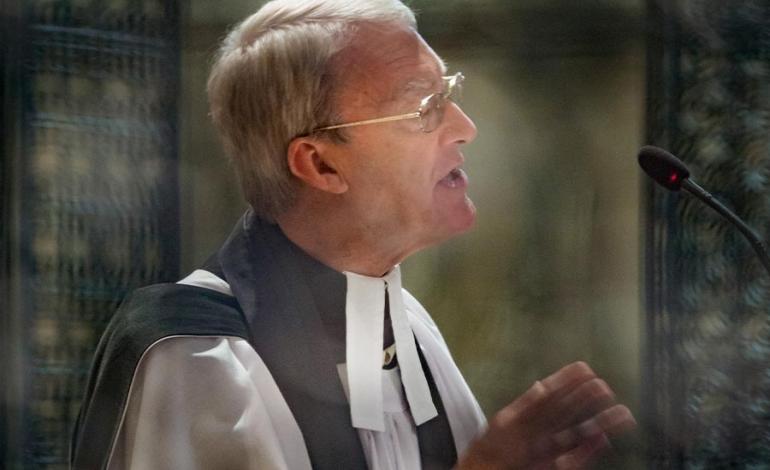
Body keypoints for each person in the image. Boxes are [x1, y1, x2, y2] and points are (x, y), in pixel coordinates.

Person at [70, 0, 636, 468]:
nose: (465, 128)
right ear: (320, 166)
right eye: (424, 106)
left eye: (450, 94)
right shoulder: (197, 355)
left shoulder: (408, 326)